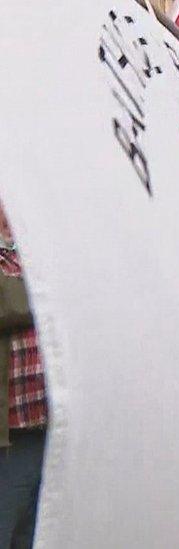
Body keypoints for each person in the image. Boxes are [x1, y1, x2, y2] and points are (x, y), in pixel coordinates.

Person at [0, 203, 47, 549]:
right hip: (10, 429)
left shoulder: (36, 247)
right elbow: (10, 305)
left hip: (44, 422)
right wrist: (46, 295)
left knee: (32, 533)